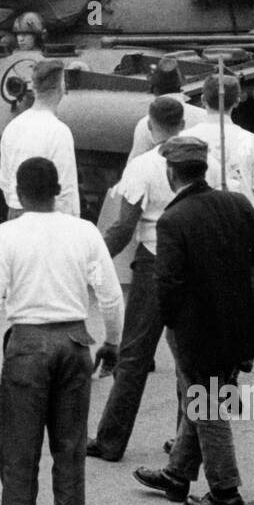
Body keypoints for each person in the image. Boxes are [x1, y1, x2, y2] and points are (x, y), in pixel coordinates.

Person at [0, 157, 123, 505]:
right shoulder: (84, 232)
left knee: (20, 449)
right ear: (58, 191)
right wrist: (112, 340)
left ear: (18, 193)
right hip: (75, 341)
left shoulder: (5, 236)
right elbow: (110, 296)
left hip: (27, 344)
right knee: (70, 446)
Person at [132, 136, 254, 505]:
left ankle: (225, 492)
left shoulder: (173, 220)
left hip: (196, 330)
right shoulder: (237, 203)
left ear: (171, 172)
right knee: (206, 397)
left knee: (208, 407)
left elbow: (169, 286)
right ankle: (178, 474)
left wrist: (174, 327)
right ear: (203, 168)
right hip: (238, 324)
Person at [86, 96, 186, 462]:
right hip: (192, 263)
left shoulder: (143, 165)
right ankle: (186, 441)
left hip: (153, 265)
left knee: (134, 356)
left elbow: (124, 228)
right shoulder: (203, 160)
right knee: (189, 358)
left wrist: (90, 260)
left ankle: (110, 441)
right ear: (182, 125)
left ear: (150, 124)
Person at [186, 73, 254, 333]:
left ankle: (217, 370)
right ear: (237, 101)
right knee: (251, 298)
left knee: (207, 311)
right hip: (242, 237)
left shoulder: (187, 139)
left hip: (198, 234)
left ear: (203, 100)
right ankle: (240, 358)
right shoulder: (251, 142)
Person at [0, 59, 79, 220]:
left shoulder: (12, 126)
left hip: (14, 212)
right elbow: (67, 191)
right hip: (47, 217)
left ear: (33, 88)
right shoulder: (59, 131)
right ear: (62, 86)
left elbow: (4, 181)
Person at [126, 59, 204, 161]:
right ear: (181, 85)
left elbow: (135, 165)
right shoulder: (203, 116)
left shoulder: (146, 123)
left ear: (153, 88)